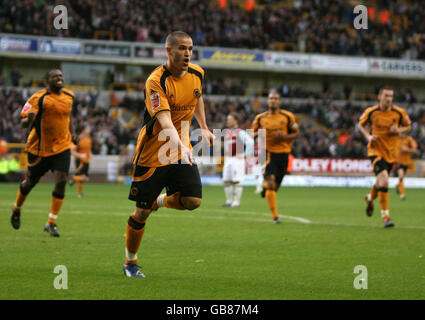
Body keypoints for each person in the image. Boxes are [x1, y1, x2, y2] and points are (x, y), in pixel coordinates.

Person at [123, 31, 215, 278]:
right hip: (154, 153)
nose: (187, 53)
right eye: (182, 48)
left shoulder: (198, 73)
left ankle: (160, 201)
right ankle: (130, 262)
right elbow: (163, 119)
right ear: (169, 51)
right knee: (141, 214)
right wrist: (182, 146)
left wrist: (204, 127)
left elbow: (198, 98)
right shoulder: (155, 81)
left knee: (193, 201)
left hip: (180, 149)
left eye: (190, 48)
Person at [10, 69, 77, 237]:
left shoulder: (70, 96)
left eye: (61, 76)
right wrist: (29, 119)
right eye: (55, 77)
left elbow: (68, 117)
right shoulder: (38, 98)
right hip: (40, 148)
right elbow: (24, 121)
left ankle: (51, 222)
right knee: (30, 182)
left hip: (62, 146)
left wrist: (72, 132)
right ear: (47, 81)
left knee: (61, 180)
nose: (59, 78)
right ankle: (17, 208)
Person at [359, 86, 411, 228]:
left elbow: (408, 126)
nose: (389, 99)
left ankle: (370, 199)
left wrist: (398, 130)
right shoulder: (371, 112)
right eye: (386, 96)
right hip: (375, 151)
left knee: (380, 183)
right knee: (385, 180)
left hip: (391, 153)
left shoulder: (399, 113)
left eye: (391, 96)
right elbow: (360, 124)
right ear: (379, 97)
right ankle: (386, 217)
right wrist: (368, 136)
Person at [251, 90, 299, 224]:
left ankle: (266, 187)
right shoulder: (260, 118)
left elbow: (296, 133)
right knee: (272, 184)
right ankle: (275, 216)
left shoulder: (288, 117)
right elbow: (251, 134)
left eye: (275, 98)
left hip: (283, 154)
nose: (273, 100)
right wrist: (257, 135)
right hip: (267, 153)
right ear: (267, 101)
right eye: (271, 98)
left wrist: (284, 137)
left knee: (275, 187)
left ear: (279, 101)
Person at [221, 112, 254, 207]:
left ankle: (236, 201)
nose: (228, 121)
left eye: (230, 119)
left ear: (235, 121)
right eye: (227, 119)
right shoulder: (227, 132)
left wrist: (244, 154)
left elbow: (250, 142)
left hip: (237, 159)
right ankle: (229, 201)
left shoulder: (240, 132)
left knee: (237, 180)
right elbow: (228, 146)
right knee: (226, 179)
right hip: (229, 159)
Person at [69, 126, 92, 198]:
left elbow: (88, 149)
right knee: (85, 178)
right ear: (83, 130)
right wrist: (81, 155)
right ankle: (73, 178)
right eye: (87, 128)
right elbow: (72, 151)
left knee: (82, 178)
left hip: (86, 160)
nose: (89, 130)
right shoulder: (78, 139)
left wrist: (90, 154)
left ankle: (79, 193)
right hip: (80, 161)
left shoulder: (89, 139)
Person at [395, 133, 418, 200]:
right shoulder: (396, 139)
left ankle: (397, 186)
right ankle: (403, 194)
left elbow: (415, 150)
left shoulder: (409, 139)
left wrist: (407, 149)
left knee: (401, 179)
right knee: (401, 176)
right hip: (398, 163)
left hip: (406, 163)